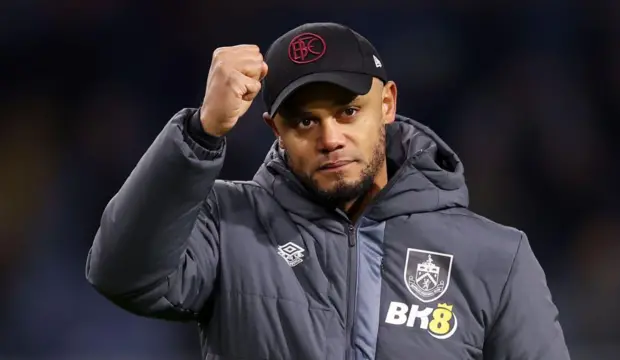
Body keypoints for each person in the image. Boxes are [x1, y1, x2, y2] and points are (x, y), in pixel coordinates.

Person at [86, 22, 571, 360]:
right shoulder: (228, 222)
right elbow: (122, 274)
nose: (330, 138)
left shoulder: (496, 258)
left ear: (387, 104)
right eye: (304, 121)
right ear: (275, 129)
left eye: (347, 112)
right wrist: (200, 132)